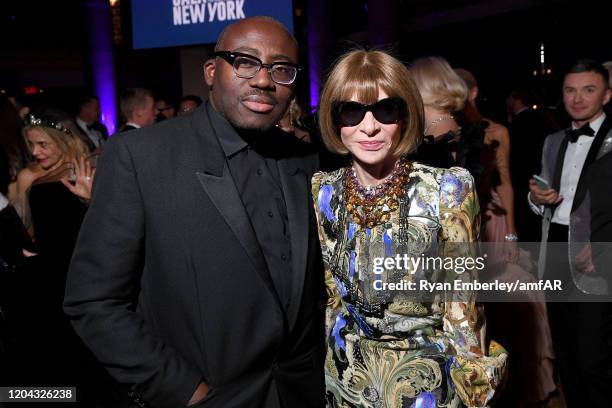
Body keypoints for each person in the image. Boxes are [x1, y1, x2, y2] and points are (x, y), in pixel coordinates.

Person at [64, 16, 325, 408]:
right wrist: (184, 391)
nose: (263, 80)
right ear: (210, 71)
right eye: (245, 61)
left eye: (281, 69)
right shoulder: (140, 156)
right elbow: (93, 301)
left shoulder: (305, 160)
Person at [313, 49, 507, 408]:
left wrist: (473, 390)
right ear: (334, 119)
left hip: (426, 384)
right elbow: (332, 299)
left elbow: (463, 309)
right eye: (351, 111)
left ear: (405, 116)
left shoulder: (448, 189)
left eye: (386, 110)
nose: (368, 127)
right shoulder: (324, 190)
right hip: (346, 380)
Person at [529, 59, 612, 407]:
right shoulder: (553, 140)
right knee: (564, 350)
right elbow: (543, 196)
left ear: (607, 95)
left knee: (594, 355)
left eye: (588, 90)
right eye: (570, 90)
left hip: (597, 253)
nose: (577, 99)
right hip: (555, 250)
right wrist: (535, 198)